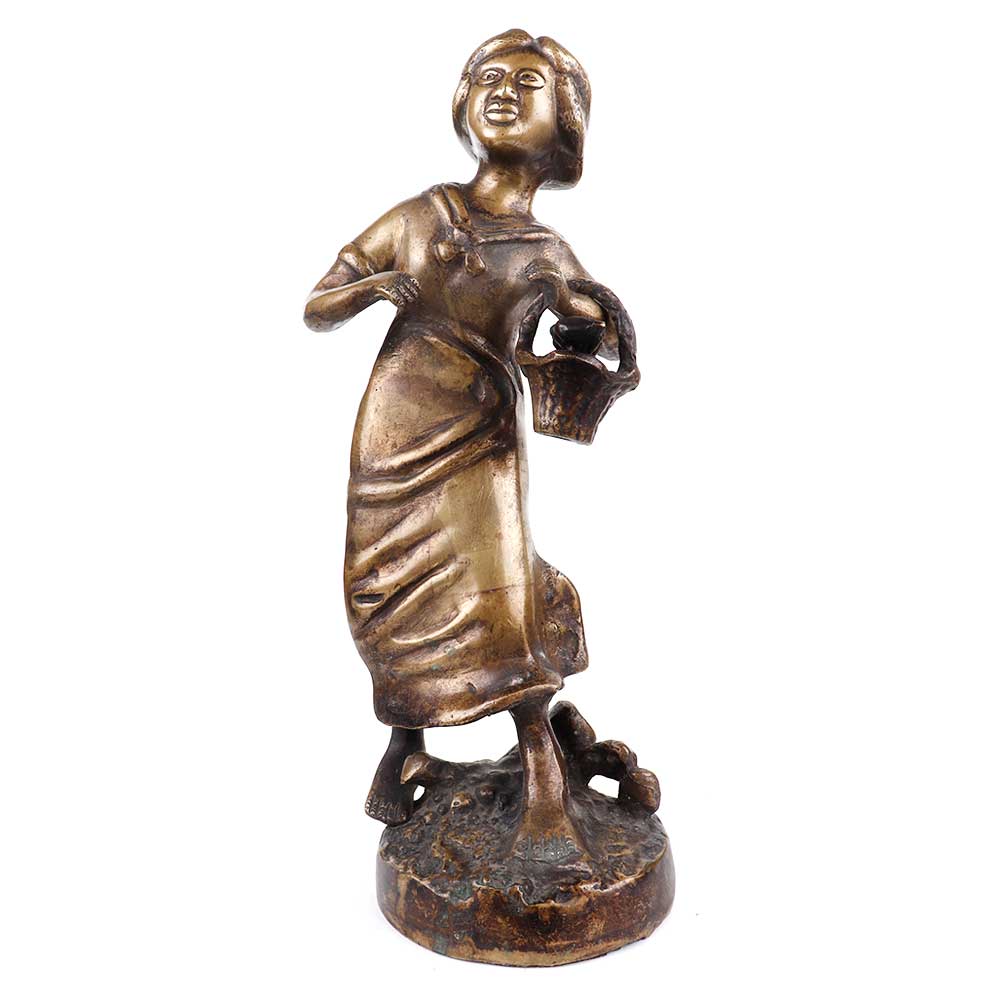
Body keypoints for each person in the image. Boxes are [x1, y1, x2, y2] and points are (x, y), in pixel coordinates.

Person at [304, 29, 621, 854]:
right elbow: (318, 303)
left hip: (482, 437)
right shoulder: (422, 216)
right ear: (463, 104)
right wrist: (379, 286)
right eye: (488, 78)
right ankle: (403, 750)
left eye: (528, 83)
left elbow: (582, 336)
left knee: (500, 589)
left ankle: (542, 772)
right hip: (395, 432)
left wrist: (581, 319)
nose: (503, 91)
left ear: (564, 126)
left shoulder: (548, 250)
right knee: (387, 589)